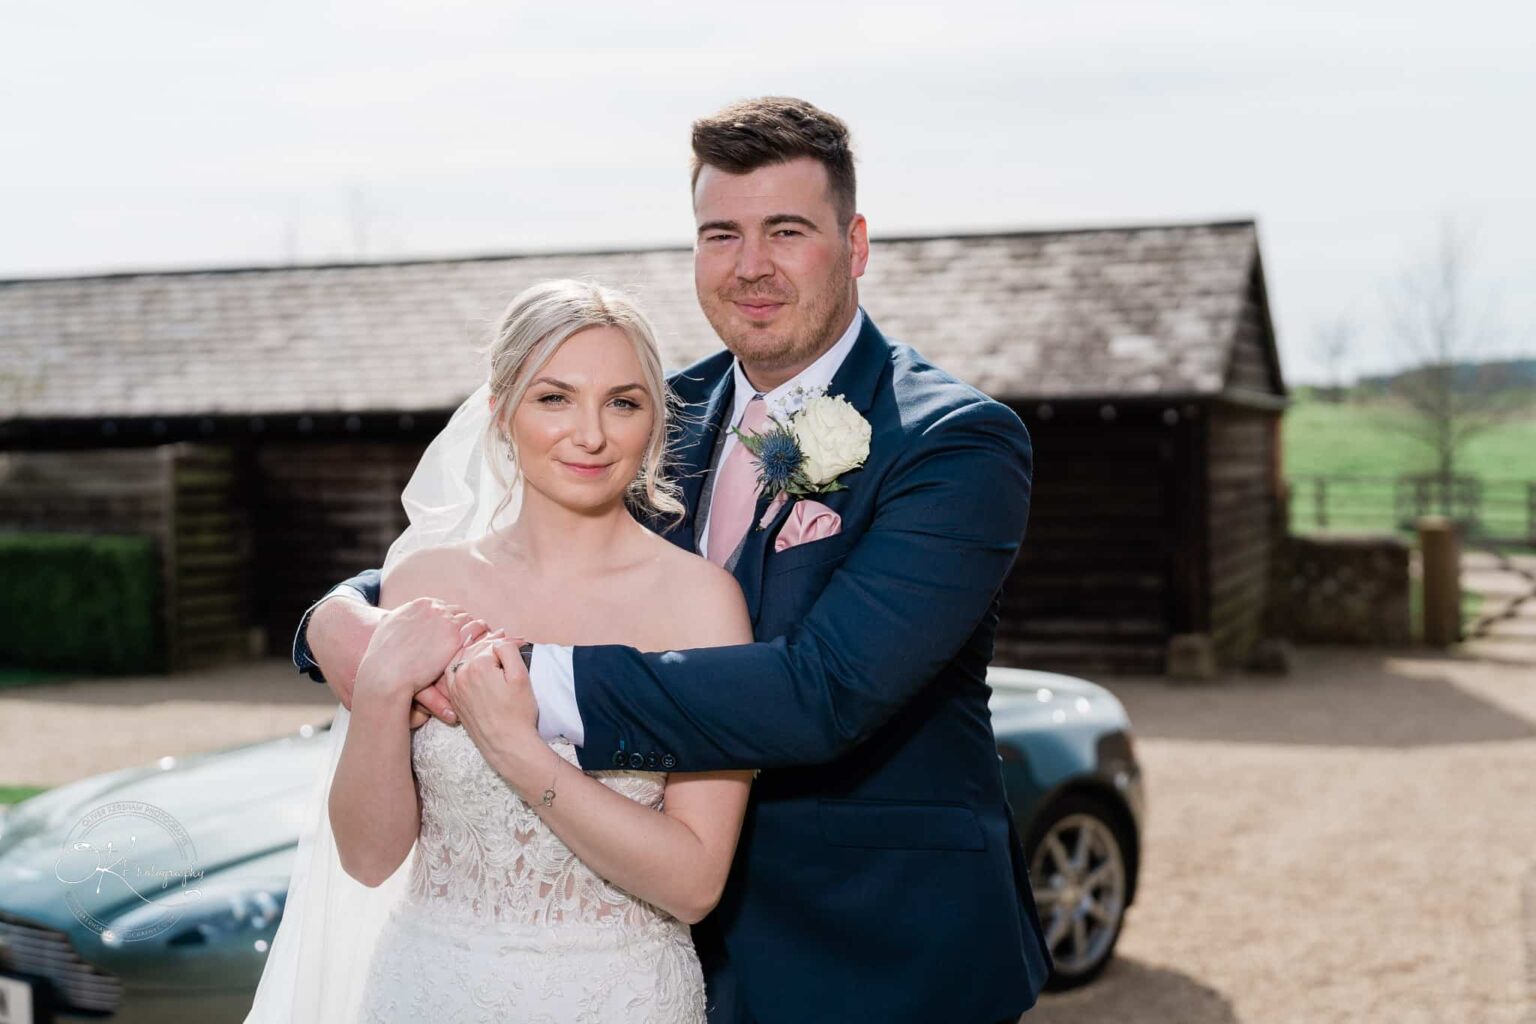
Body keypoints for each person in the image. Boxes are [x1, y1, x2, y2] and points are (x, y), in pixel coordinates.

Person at [298, 97, 1053, 1023]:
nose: (752, 267)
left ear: (855, 244)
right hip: (663, 951)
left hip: (873, 947)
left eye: (787, 230)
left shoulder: (951, 442)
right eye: (720, 233)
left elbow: (824, 691)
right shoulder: (655, 411)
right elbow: (522, 545)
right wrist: (339, 619)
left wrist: (509, 682)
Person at [249, 279, 752, 1021]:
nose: (591, 434)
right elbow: (367, 857)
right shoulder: (423, 581)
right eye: (554, 398)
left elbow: (695, 884)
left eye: (623, 401)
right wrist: (385, 688)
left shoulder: (701, 601)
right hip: (429, 988)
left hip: (620, 997)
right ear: (501, 413)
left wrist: (522, 754)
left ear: (654, 421)